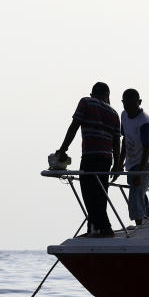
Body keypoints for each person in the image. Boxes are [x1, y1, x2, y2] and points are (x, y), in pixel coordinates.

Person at [53, 82, 121, 237]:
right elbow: (117, 141)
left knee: (89, 193)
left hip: (91, 155)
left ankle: (105, 228)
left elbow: (74, 126)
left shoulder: (86, 102)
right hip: (106, 158)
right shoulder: (114, 113)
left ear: (93, 94)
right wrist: (117, 164)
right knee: (101, 193)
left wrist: (63, 149)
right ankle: (93, 228)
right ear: (107, 96)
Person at [113, 88, 149, 226]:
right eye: (126, 104)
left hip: (145, 162)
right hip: (131, 162)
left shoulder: (145, 122)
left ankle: (140, 225)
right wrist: (120, 163)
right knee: (139, 191)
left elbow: (147, 148)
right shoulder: (124, 115)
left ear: (139, 102)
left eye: (132, 104)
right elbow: (125, 140)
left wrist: (140, 173)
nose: (129, 108)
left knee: (135, 193)